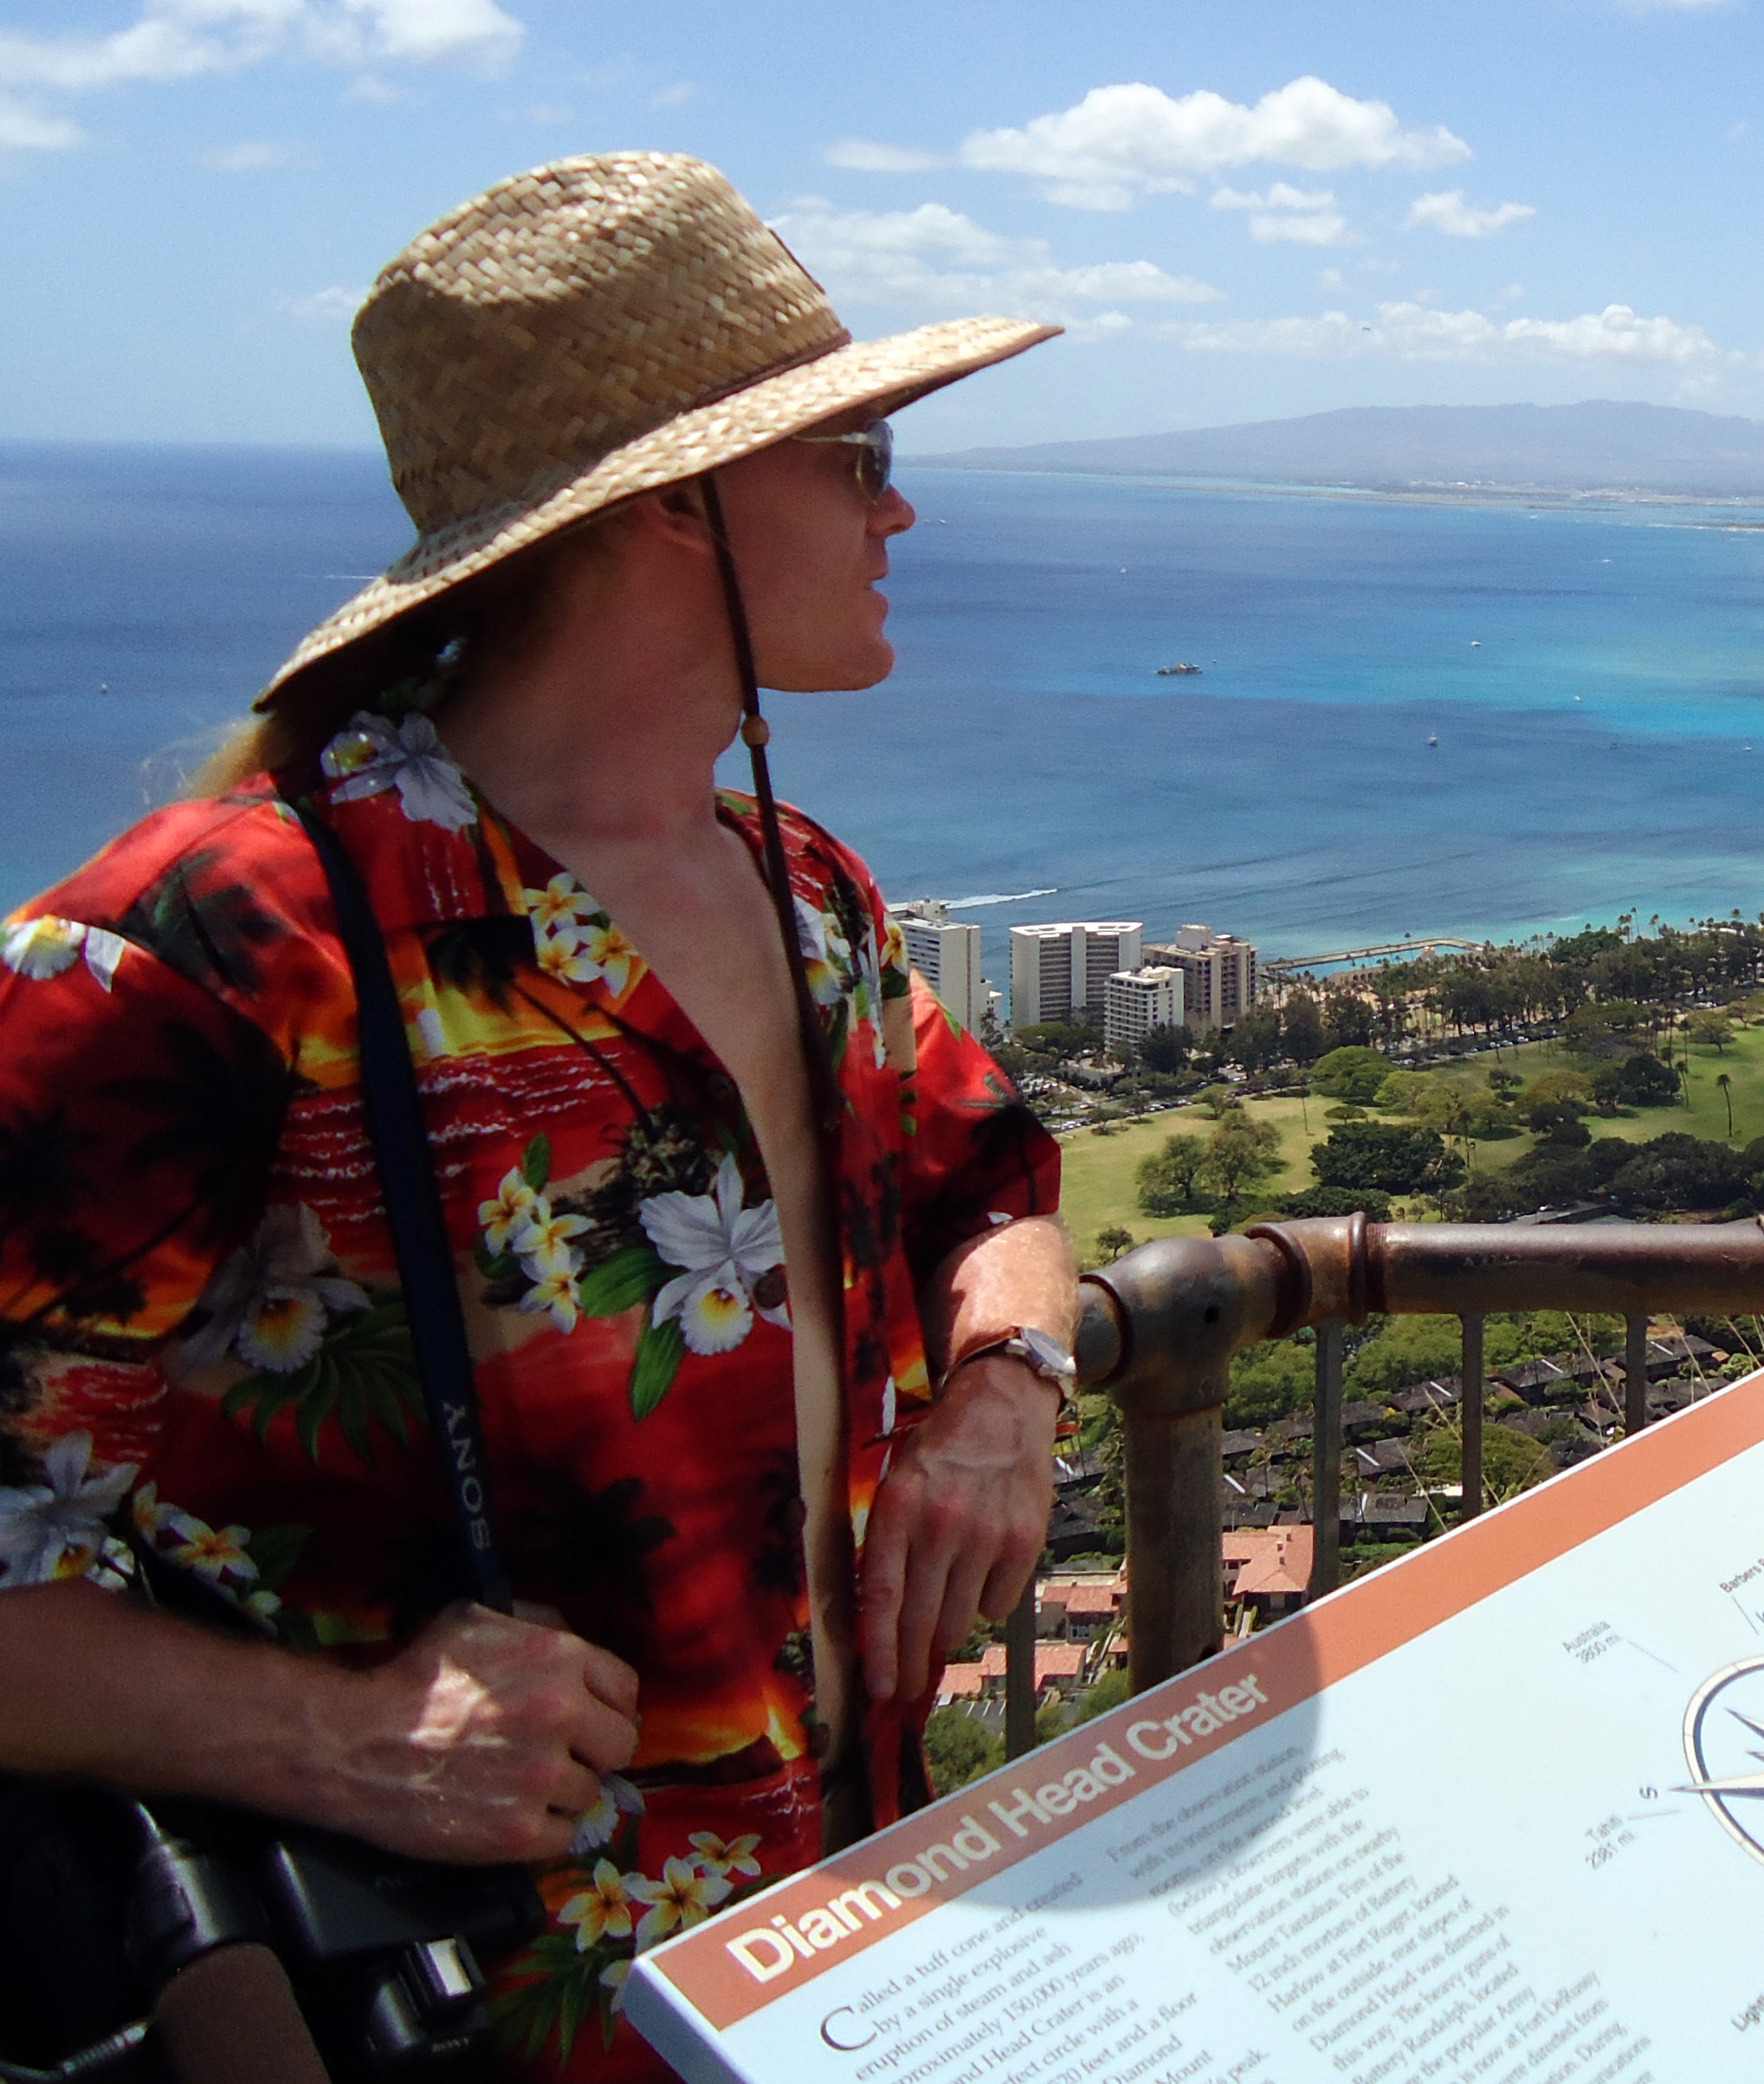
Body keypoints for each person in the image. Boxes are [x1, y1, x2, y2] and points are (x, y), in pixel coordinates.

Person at [0, 153, 1072, 2076]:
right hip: (461, 2012)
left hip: (826, 1962)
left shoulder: (805, 895)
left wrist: (1005, 1397)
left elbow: (989, 1182)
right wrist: (327, 1735)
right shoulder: (227, 947)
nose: (897, 505)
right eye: (852, 456)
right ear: (677, 504)